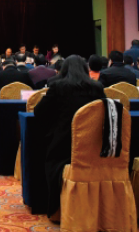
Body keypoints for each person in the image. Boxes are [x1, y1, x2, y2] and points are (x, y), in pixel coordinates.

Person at [33, 55, 105, 217]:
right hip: (92, 145)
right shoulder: (97, 87)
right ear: (86, 69)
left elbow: (39, 112)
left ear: (63, 70)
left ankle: (54, 206)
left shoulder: (58, 87)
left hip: (63, 145)